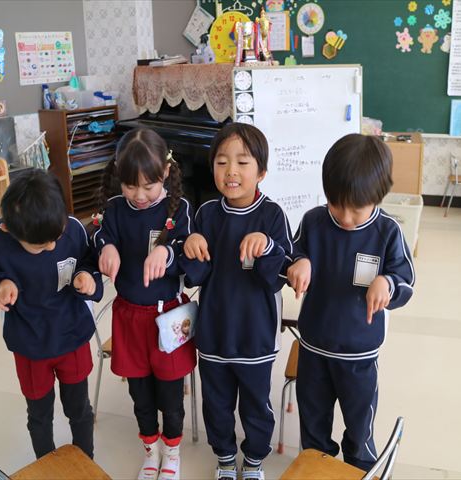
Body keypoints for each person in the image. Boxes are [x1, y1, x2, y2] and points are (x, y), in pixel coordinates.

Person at [287, 133, 415, 471]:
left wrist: (387, 283)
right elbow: (293, 253)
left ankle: (360, 470)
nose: (344, 217)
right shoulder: (314, 222)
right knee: (313, 427)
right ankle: (316, 469)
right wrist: (298, 263)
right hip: (314, 348)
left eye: (356, 209)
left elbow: (406, 281)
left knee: (359, 429)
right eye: (336, 204)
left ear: (378, 195)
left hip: (359, 355)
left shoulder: (388, 232)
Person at [182, 123, 293, 480]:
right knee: (216, 403)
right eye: (222, 162)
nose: (231, 171)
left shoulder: (272, 215)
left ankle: (255, 460)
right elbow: (196, 276)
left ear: (261, 172)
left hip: (256, 335)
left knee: (256, 405)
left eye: (242, 162)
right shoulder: (206, 214)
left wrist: (267, 246)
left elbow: (280, 276)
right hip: (214, 332)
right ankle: (226, 459)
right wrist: (191, 246)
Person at [0, 169, 104, 459]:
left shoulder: (72, 229)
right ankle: (45, 465)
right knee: (39, 415)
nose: (53, 246)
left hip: (72, 335)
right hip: (30, 344)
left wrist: (87, 277)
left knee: (80, 410)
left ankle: (86, 462)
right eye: (41, 245)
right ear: (9, 229)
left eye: (56, 236)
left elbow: (88, 261)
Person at [93, 127, 196, 480]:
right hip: (129, 318)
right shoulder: (114, 209)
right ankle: (151, 451)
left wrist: (167, 253)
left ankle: (172, 453)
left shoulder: (179, 209)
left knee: (171, 396)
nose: (139, 195)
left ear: (165, 172)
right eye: (129, 186)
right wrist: (106, 247)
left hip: (168, 318)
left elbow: (190, 253)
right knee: (140, 395)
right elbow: (100, 235)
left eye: (148, 186)